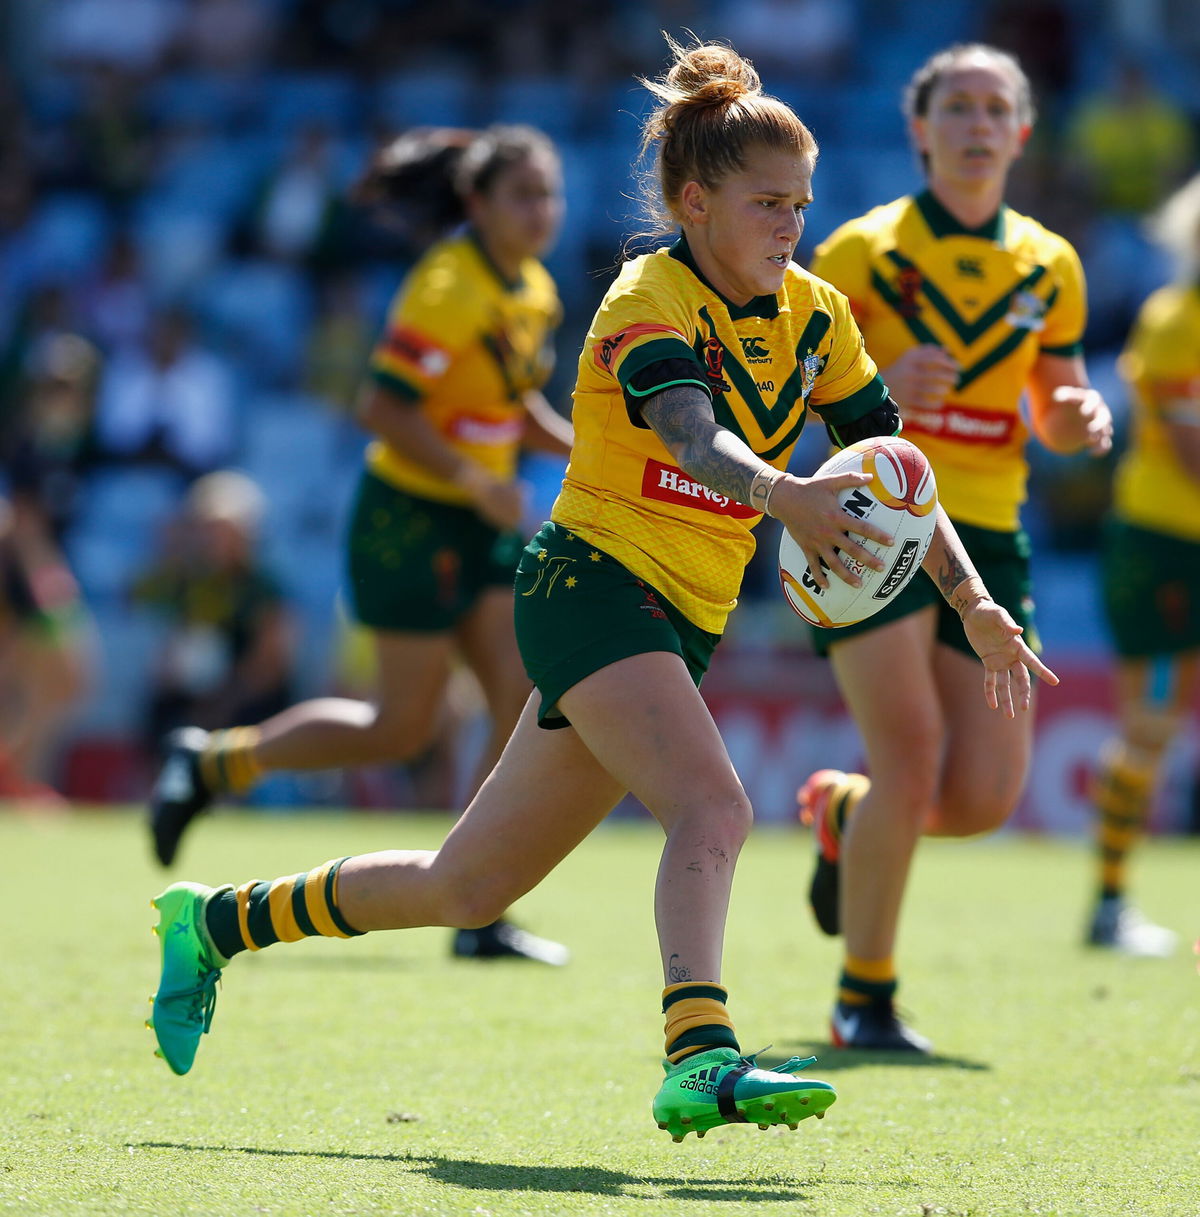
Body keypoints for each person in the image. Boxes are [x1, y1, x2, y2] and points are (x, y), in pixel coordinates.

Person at [146, 36, 1053, 1139]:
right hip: (588, 582)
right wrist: (791, 495)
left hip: (679, 618)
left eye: (801, 205)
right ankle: (700, 1055)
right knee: (715, 805)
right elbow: (690, 430)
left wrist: (972, 602)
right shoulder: (644, 294)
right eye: (767, 203)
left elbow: (901, 477)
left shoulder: (820, 314)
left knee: (463, 887)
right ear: (695, 200)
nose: (789, 225)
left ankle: (215, 922)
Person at [147, 124, 574, 965]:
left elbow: (509, 404)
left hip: (476, 516)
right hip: (409, 517)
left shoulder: (532, 288)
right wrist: (470, 475)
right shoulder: (446, 285)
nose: (542, 212)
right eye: (524, 195)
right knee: (400, 726)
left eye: (550, 194)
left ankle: (481, 904)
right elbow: (382, 408)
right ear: (477, 203)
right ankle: (211, 764)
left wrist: (578, 446)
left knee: (517, 693)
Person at [793, 43, 1112, 1054]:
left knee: (979, 800)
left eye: (996, 109)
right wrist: (887, 389)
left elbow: (1052, 403)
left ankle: (847, 813)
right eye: (958, 107)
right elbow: (781, 400)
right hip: (874, 526)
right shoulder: (858, 252)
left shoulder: (1049, 263)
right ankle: (865, 997)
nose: (978, 124)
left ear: (1022, 133)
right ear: (919, 129)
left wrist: (1077, 417)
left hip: (992, 532)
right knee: (915, 754)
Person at [1083, 173, 1200, 957]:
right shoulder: (1176, 324)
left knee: (1156, 726)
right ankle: (1109, 901)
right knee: (1150, 725)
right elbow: (1192, 453)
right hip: (1164, 547)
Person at [130, 470, 296, 759]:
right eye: (205, 529)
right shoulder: (185, 581)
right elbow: (138, 599)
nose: (211, 540)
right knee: (160, 712)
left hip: (247, 697)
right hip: (197, 691)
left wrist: (221, 701)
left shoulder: (263, 587)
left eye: (221, 531)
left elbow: (269, 666)